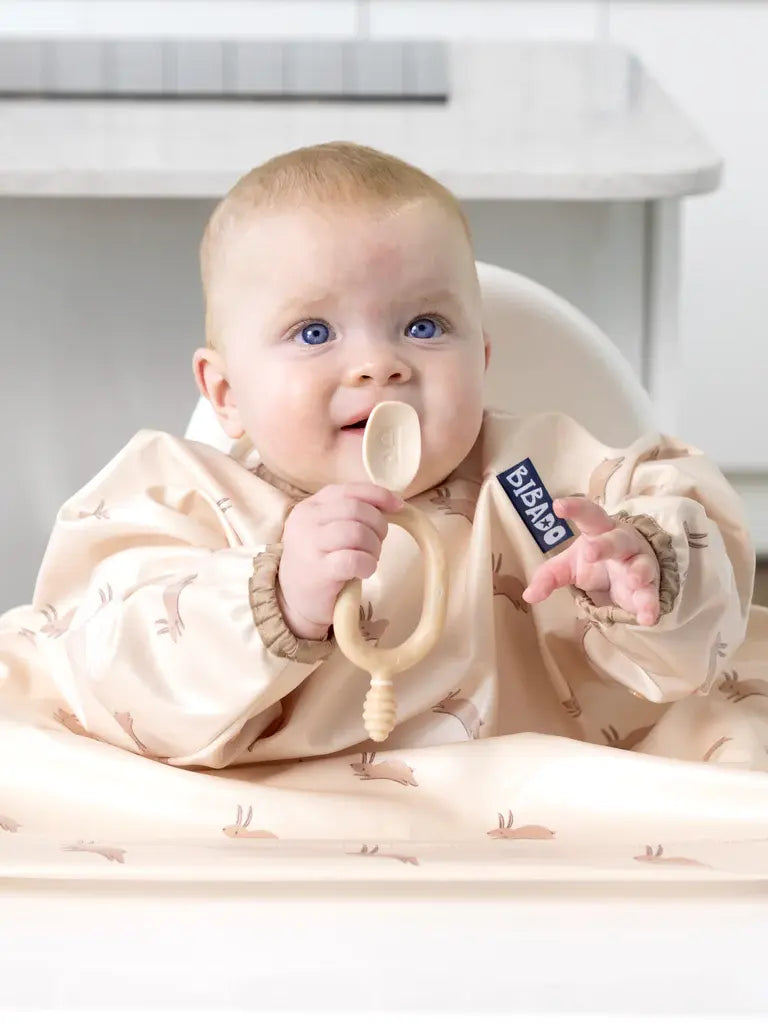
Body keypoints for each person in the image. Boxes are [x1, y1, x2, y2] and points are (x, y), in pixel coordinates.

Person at [1, 140, 766, 776]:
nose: (380, 364)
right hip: (282, 839)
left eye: (426, 326)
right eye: (313, 333)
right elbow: (108, 669)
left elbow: (687, 535)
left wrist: (646, 565)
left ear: (484, 358)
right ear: (226, 392)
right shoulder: (188, 498)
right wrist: (274, 599)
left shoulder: (535, 478)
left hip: (529, 827)